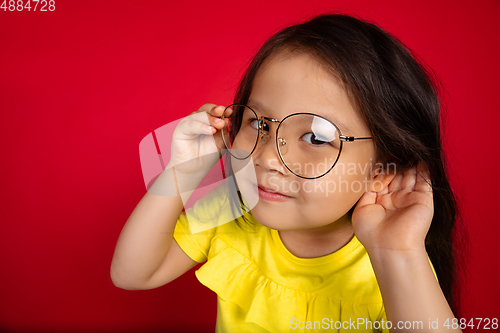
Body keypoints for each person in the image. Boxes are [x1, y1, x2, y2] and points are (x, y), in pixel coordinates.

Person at [111, 13, 466, 333]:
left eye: (316, 137)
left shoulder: (392, 257)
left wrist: (397, 252)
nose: (267, 158)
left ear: (384, 166)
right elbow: (133, 274)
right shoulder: (230, 211)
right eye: (260, 123)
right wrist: (182, 171)